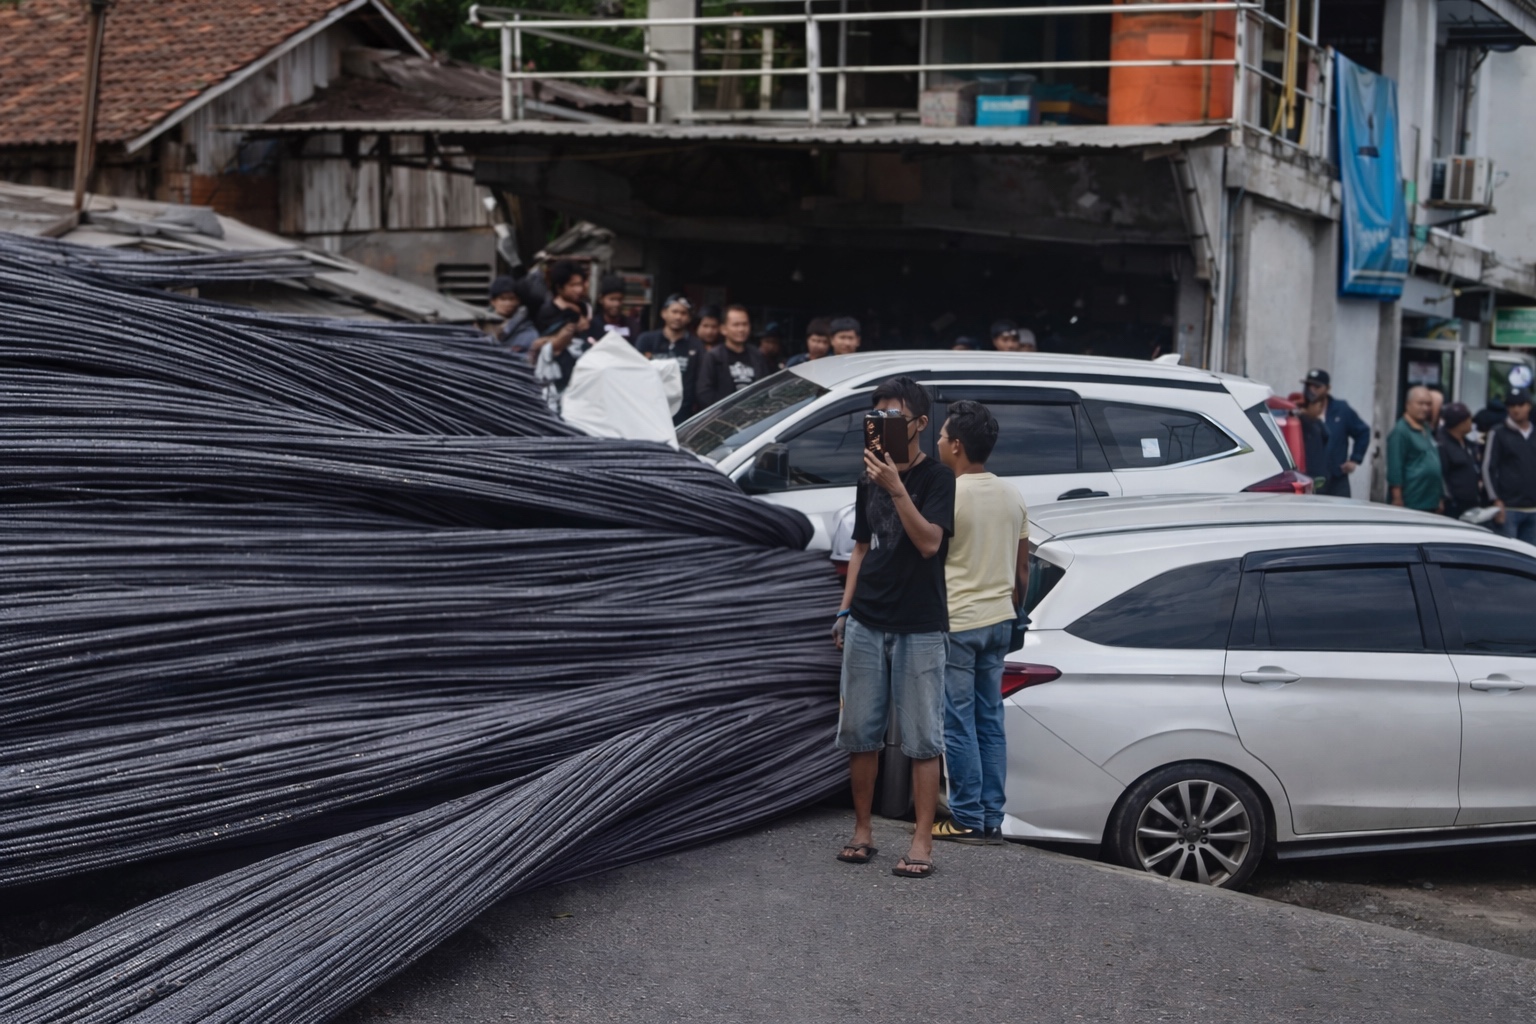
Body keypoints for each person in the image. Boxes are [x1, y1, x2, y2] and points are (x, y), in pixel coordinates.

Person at [832, 377, 955, 879]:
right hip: (867, 618)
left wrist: (896, 487)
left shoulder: (938, 479)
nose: (881, 428)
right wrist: (844, 610)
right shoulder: (868, 475)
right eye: (875, 418)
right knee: (860, 732)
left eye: (893, 419)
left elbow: (930, 544)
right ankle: (863, 831)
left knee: (923, 738)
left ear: (920, 424)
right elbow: (861, 547)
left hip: (920, 624)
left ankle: (922, 841)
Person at [930, 400, 1027, 847]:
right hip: (1000, 620)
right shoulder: (1013, 494)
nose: (937, 442)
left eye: (943, 436)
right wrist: (1014, 611)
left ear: (956, 446)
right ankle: (991, 816)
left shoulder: (950, 494)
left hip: (959, 622)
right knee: (991, 720)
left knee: (958, 722)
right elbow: (1022, 570)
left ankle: (966, 815)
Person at [1301, 369, 1371, 498]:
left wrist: (1355, 459)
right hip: (1311, 479)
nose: (1312, 390)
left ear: (1327, 388)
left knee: (1342, 513)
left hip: (1336, 477)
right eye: (1308, 385)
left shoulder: (1341, 409)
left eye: (1317, 386)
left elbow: (1363, 431)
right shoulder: (1300, 410)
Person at [635, 293, 704, 423]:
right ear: (664, 313)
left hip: (683, 413)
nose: (678, 317)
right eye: (674, 311)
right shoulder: (646, 340)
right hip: (647, 409)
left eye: (683, 313)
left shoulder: (696, 346)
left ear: (689, 318)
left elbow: (699, 380)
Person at [1482, 389, 1536, 544]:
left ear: (1529, 406)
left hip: (1533, 509)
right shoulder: (1498, 432)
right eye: (1511, 405)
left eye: (1520, 404)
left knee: (1531, 561)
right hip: (1508, 508)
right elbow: (1488, 467)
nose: (1516, 409)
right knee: (1508, 554)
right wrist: (1496, 500)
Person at [695, 305, 771, 410]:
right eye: (736, 325)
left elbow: (766, 387)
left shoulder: (757, 355)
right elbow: (704, 392)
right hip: (722, 418)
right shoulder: (713, 356)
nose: (741, 329)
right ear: (723, 329)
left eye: (745, 324)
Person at [1387, 386, 1444, 512]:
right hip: (1412, 500)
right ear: (1408, 404)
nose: (1425, 408)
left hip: (1430, 500)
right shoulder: (1401, 431)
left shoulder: (1426, 428)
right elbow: (1395, 467)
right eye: (1420, 403)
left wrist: (1440, 497)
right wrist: (1397, 498)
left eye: (1429, 404)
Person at [1437, 402, 1484, 520]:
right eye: (1468, 420)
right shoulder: (1442, 444)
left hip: (1472, 505)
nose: (1471, 423)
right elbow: (1441, 475)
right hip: (1453, 507)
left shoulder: (1468, 444)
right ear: (1460, 423)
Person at [1288, 391, 1332, 492]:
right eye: (1318, 406)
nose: (1320, 410)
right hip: (1307, 475)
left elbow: (1327, 436)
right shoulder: (1300, 423)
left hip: (1319, 475)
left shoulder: (1317, 423)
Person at [488, 275, 538, 357]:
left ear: (518, 301)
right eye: (503, 299)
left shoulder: (529, 332)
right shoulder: (479, 326)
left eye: (512, 299)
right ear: (493, 301)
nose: (508, 303)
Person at [590, 273, 640, 344]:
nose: (616, 304)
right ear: (601, 299)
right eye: (612, 299)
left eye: (620, 299)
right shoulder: (593, 325)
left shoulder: (632, 325)